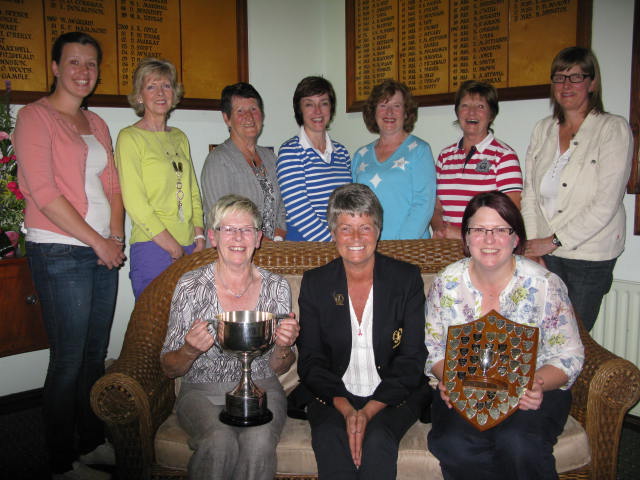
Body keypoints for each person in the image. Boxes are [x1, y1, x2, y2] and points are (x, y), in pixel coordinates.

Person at [14, 31, 125, 479]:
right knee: (68, 358)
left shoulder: (97, 123)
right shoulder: (34, 117)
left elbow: (114, 187)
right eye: (74, 62)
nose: (84, 71)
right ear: (56, 67)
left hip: (102, 251)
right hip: (59, 251)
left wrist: (114, 237)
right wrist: (97, 242)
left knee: (95, 355)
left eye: (91, 64)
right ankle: (61, 462)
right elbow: (41, 192)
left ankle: (92, 442)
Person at [425, 191, 584, 480]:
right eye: (479, 230)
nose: (489, 239)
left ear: (516, 238)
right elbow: (435, 349)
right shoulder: (446, 283)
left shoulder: (546, 284)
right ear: (466, 237)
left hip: (534, 387)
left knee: (519, 442)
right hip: (466, 385)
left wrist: (535, 383)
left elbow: (569, 355)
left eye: (501, 230)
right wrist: (448, 378)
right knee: (455, 444)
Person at [160, 194, 300, 480]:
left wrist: (284, 346)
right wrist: (189, 350)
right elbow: (168, 367)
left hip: (262, 388)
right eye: (228, 228)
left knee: (259, 442)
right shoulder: (191, 286)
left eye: (247, 229)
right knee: (218, 440)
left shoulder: (276, 287)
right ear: (213, 236)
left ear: (258, 237)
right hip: (201, 391)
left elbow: (278, 367)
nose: (238, 236)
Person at [296, 183, 428, 479]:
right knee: (330, 438)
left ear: (378, 231)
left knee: (378, 440)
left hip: (392, 394)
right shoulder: (315, 283)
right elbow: (311, 359)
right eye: (345, 228)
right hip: (332, 395)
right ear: (333, 233)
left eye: (365, 227)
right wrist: (345, 409)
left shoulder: (406, 279)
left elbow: (412, 357)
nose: (356, 238)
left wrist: (367, 412)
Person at [522, 46, 633, 332]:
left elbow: (605, 203)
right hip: (544, 252)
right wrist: (534, 248)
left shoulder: (613, 129)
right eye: (559, 77)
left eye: (576, 77)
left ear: (592, 83)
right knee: (540, 334)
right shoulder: (542, 129)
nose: (566, 85)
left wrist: (554, 241)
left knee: (573, 337)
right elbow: (530, 194)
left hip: (589, 256)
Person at [115, 58, 205, 299]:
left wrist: (199, 237)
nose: (161, 92)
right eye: (151, 86)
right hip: (152, 247)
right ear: (139, 95)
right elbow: (134, 202)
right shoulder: (129, 138)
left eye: (166, 85)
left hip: (190, 245)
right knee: (154, 328)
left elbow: (193, 192)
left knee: (189, 327)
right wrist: (172, 246)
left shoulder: (179, 137)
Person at [431, 80, 523, 239]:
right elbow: (435, 208)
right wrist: (441, 230)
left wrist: (462, 234)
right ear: (457, 112)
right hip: (446, 248)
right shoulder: (445, 156)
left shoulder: (504, 156)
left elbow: (510, 215)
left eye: (480, 106)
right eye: (465, 105)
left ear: (491, 114)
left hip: (486, 247)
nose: (471, 113)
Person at [352, 79, 436, 240]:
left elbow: (423, 204)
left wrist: (400, 246)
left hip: (408, 247)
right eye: (383, 105)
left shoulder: (419, 150)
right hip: (369, 248)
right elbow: (355, 207)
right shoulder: (360, 155)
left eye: (396, 106)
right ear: (373, 111)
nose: (389, 112)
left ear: (406, 112)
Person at [201, 82, 286, 241]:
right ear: (227, 118)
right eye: (240, 111)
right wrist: (261, 243)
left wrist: (277, 242)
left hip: (271, 254)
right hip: (232, 253)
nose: (249, 116)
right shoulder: (218, 160)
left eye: (254, 109)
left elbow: (282, 208)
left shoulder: (271, 158)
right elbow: (221, 219)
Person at [276, 76, 352, 241]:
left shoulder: (341, 152)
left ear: (331, 108)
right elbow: (298, 210)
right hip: (306, 247)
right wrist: (330, 242)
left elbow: (348, 204)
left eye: (323, 103)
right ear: (299, 109)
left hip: (340, 243)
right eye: (309, 104)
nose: (317, 111)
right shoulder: (290, 152)